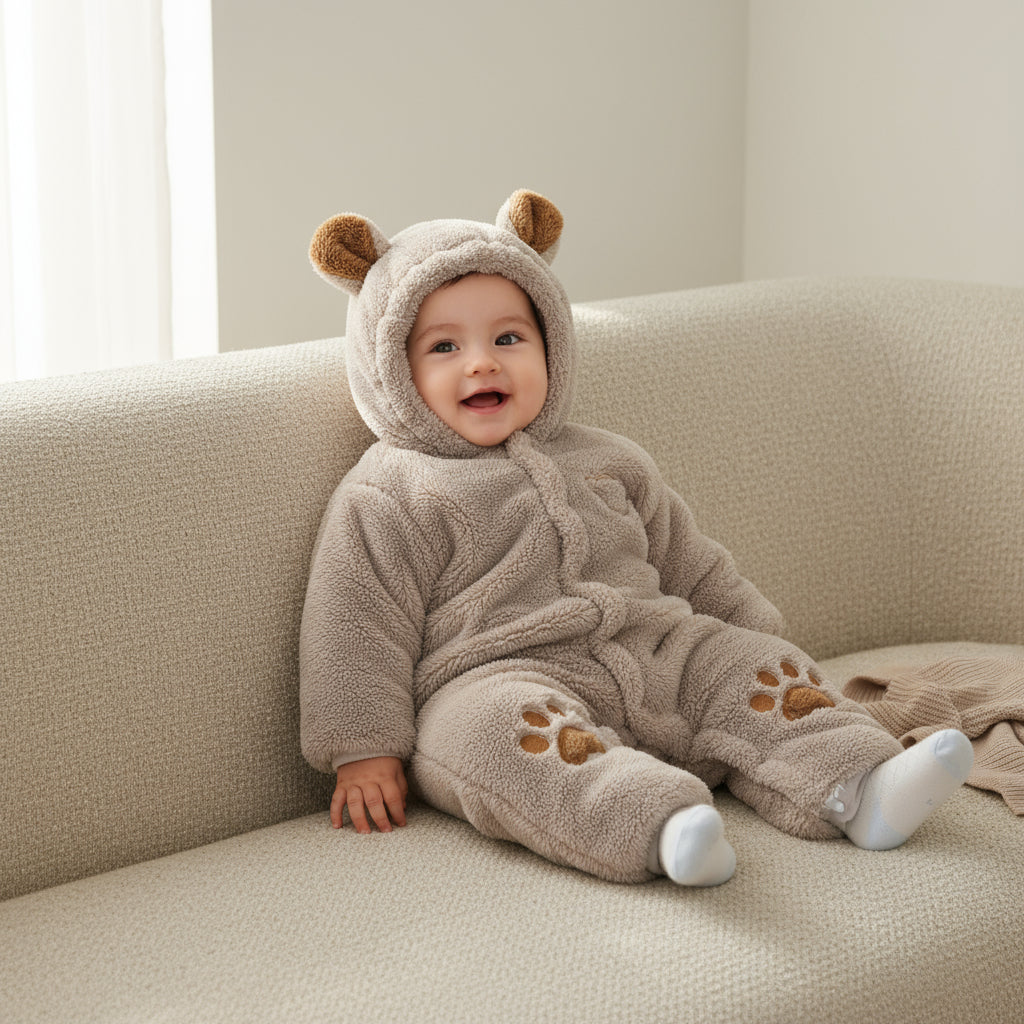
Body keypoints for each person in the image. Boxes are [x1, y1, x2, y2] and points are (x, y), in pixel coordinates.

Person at [299, 190, 973, 885]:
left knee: (749, 670)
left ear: (551, 346)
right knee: (482, 735)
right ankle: (659, 827)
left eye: (508, 338)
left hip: (657, 650)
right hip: (501, 676)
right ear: (392, 371)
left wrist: (758, 638)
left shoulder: (608, 457)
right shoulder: (391, 492)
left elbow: (693, 564)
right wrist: (363, 746)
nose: (481, 363)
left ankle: (862, 784)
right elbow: (354, 623)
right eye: (445, 347)